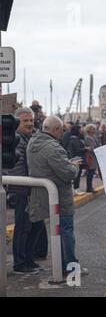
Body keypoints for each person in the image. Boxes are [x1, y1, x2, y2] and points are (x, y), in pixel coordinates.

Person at [27, 116, 88, 276]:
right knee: (66, 232)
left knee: (57, 232)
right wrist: (74, 166)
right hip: (60, 197)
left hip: (42, 195)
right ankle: (71, 267)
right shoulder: (53, 147)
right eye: (61, 130)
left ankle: (62, 266)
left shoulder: (33, 142)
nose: (62, 133)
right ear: (55, 130)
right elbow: (67, 174)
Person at [8, 108, 46, 274]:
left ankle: (29, 260)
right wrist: (28, 190)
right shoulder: (16, 141)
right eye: (25, 121)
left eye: (31, 120)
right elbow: (18, 168)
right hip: (23, 191)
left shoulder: (31, 138)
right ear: (17, 123)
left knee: (36, 225)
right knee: (23, 227)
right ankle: (20, 263)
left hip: (33, 190)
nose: (30, 123)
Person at [66, 124, 86, 195]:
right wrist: (85, 149)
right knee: (76, 175)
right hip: (76, 159)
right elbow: (77, 149)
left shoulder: (76, 138)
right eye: (80, 129)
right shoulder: (74, 139)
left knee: (78, 174)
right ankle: (76, 189)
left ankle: (77, 188)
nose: (81, 130)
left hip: (77, 158)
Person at [83, 124, 100, 193]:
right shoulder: (88, 137)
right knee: (90, 173)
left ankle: (90, 187)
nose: (94, 130)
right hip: (90, 157)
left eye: (94, 129)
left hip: (93, 157)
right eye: (92, 129)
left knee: (92, 172)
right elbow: (92, 148)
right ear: (88, 130)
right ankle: (89, 188)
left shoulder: (93, 137)